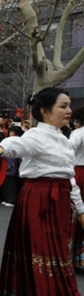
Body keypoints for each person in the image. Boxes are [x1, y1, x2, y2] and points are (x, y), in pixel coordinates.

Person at [0, 87, 84, 296]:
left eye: (68, 106)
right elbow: (19, 145)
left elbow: (69, 178)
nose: (68, 110)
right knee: (53, 265)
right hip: (38, 201)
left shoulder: (65, 139)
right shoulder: (36, 135)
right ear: (44, 111)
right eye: (63, 106)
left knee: (47, 260)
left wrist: (81, 210)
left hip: (59, 201)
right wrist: (2, 147)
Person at [70, 106, 84, 268]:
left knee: (74, 213)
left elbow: (68, 148)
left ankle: (70, 255)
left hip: (79, 174)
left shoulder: (78, 133)